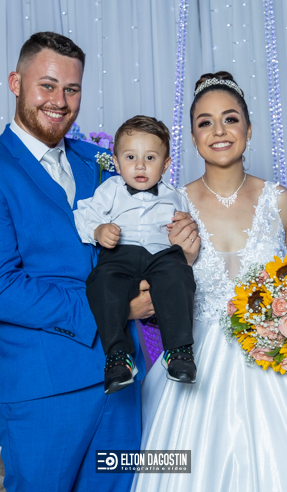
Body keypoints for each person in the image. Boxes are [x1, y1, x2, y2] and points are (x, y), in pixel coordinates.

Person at [0, 32, 199, 492]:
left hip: (121, 379)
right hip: (43, 385)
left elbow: (144, 227)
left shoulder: (101, 161)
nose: (60, 101)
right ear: (15, 83)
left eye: (72, 89)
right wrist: (119, 308)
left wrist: (181, 247)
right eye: (47, 85)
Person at [133, 72, 287, 491]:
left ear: (248, 130)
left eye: (230, 119)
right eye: (205, 122)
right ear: (193, 139)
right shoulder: (173, 204)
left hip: (273, 347)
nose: (219, 130)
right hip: (199, 351)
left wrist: (284, 297)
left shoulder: (277, 198)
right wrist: (180, 263)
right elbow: (150, 288)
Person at [74, 115, 197, 395]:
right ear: (116, 163)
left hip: (161, 255)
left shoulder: (176, 196)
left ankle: (178, 350)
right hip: (120, 254)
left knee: (179, 275)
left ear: (165, 164)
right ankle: (118, 357)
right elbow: (85, 215)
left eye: (150, 158)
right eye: (130, 157)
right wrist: (99, 230)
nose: (140, 165)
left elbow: (187, 227)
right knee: (102, 282)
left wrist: (184, 230)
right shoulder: (110, 190)